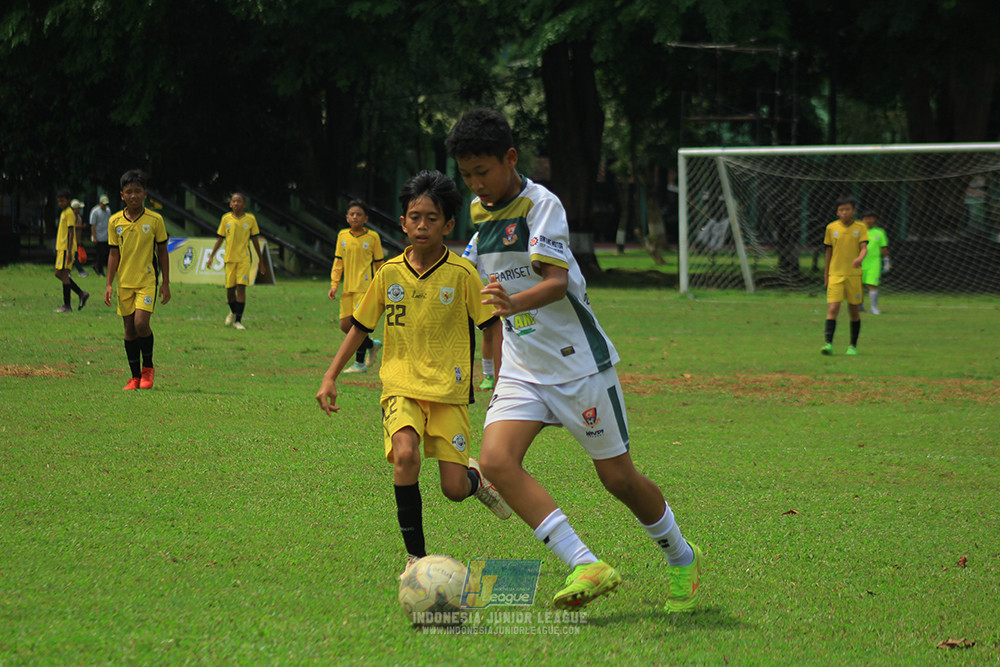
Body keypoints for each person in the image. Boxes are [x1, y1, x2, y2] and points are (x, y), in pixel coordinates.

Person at [445, 108, 703, 612]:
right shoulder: (481, 214)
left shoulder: (542, 206)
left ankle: (680, 556)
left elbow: (556, 281)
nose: (477, 183)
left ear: (510, 159)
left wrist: (514, 303)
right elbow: (467, 273)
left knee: (618, 480)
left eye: (484, 171)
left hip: (578, 364)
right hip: (524, 367)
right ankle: (585, 562)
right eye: (467, 174)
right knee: (496, 460)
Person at [316, 170, 510, 571]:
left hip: (449, 392)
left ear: (449, 224)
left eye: (432, 218)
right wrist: (330, 375)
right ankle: (415, 557)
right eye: (414, 217)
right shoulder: (388, 273)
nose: (422, 225)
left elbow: (492, 327)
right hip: (400, 385)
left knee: (453, 490)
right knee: (405, 455)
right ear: (402, 222)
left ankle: (474, 480)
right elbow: (361, 327)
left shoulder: (462, 275)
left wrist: (499, 379)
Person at [104, 169, 170, 390]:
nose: (133, 195)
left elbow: (162, 252)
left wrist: (166, 283)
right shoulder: (115, 221)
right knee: (129, 329)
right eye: (129, 191)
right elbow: (114, 253)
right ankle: (134, 377)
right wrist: (108, 284)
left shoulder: (155, 220)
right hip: (124, 283)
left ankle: (148, 369)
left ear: (145, 194)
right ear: (121, 194)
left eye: (137, 191)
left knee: (141, 324)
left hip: (147, 282)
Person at [327, 200, 384, 373]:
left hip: (365, 287)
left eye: (359, 214)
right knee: (345, 326)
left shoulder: (373, 237)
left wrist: (383, 284)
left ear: (365, 218)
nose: (355, 217)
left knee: (358, 325)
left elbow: (379, 263)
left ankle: (359, 364)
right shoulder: (342, 235)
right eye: (352, 214)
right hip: (348, 288)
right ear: (346, 217)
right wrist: (334, 284)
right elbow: (338, 262)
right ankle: (372, 345)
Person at [205, 192, 267, 330]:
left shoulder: (250, 219)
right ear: (230, 204)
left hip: (244, 259)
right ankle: (233, 312)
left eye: (239, 201)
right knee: (230, 291)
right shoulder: (226, 219)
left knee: (241, 288)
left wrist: (261, 261)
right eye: (234, 201)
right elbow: (220, 238)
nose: (236, 203)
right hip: (229, 259)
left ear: (244, 204)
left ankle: (238, 321)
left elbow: (255, 240)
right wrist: (211, 256)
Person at [821, 196, 868, 355]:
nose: (844, 212)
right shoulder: (831, 228)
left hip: (853, 275)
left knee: (853, 310)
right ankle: (828, 344)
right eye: (841, 210)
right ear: (837, 212)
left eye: (847, 209)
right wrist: (827, 275)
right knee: (833, 307)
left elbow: (864, 247)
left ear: (853, 210)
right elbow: (828, 252)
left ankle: (852, 345)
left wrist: (860, 258)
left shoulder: (860, 227)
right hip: (835, 274)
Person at [460, 231, 499, 391]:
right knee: (488, 334)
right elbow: (467, 261)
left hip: (514, 291)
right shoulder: (480, 235)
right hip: (487, 291)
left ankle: (506, 375)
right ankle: (488, 374)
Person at [52, 190, 89, 312]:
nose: (60, 203)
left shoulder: (69, 213)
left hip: (65, 249)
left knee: (62, 274)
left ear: (68, 201)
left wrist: (68, 251)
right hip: (61, 248)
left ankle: (67, 305)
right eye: (58, 201)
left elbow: (71, 232)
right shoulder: (64, 213)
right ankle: (81, 293)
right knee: (60, 274)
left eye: (62, 201)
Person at [860, 210, 890, 315]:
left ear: (874, 219)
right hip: (859, 261)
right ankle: (858, 305)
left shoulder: (879, 232)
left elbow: (884, 247)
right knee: (858, 284)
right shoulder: (857, 231)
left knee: (873, 284)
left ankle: (873, 307)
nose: (868, 220)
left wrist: (886, 261)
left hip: (874, 262)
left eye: (870, 218)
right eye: (866, 218)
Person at [89, 194, 112, 277]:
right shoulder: (95, 211)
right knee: (100, 254)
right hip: (98, 236)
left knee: (106, 254)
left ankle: (96, 266)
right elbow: (92, 225)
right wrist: (94, 237)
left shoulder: (108, 211)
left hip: (106, 236)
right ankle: (100, 270)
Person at [70, 199, 89, 277]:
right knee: (74, 256)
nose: (80, 209)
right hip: (72, 240)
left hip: (77, 239)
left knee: (74, 256)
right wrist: (81, 227)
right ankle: (80, 271)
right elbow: (72, 226)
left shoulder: (78, 216)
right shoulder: (71, 216)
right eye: (79, 208)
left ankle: (68, 271)